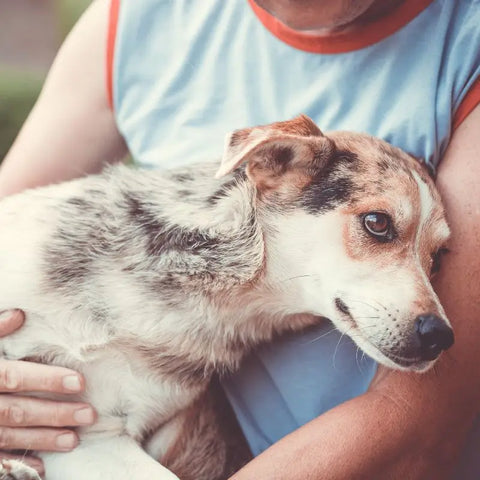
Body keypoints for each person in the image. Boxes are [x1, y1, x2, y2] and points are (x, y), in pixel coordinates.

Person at [0, 0, 479, 478]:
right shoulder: (141, 16)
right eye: (376, 227)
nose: (430, 306)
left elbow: (419, 434)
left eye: (434, 259)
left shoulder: (463, 39)